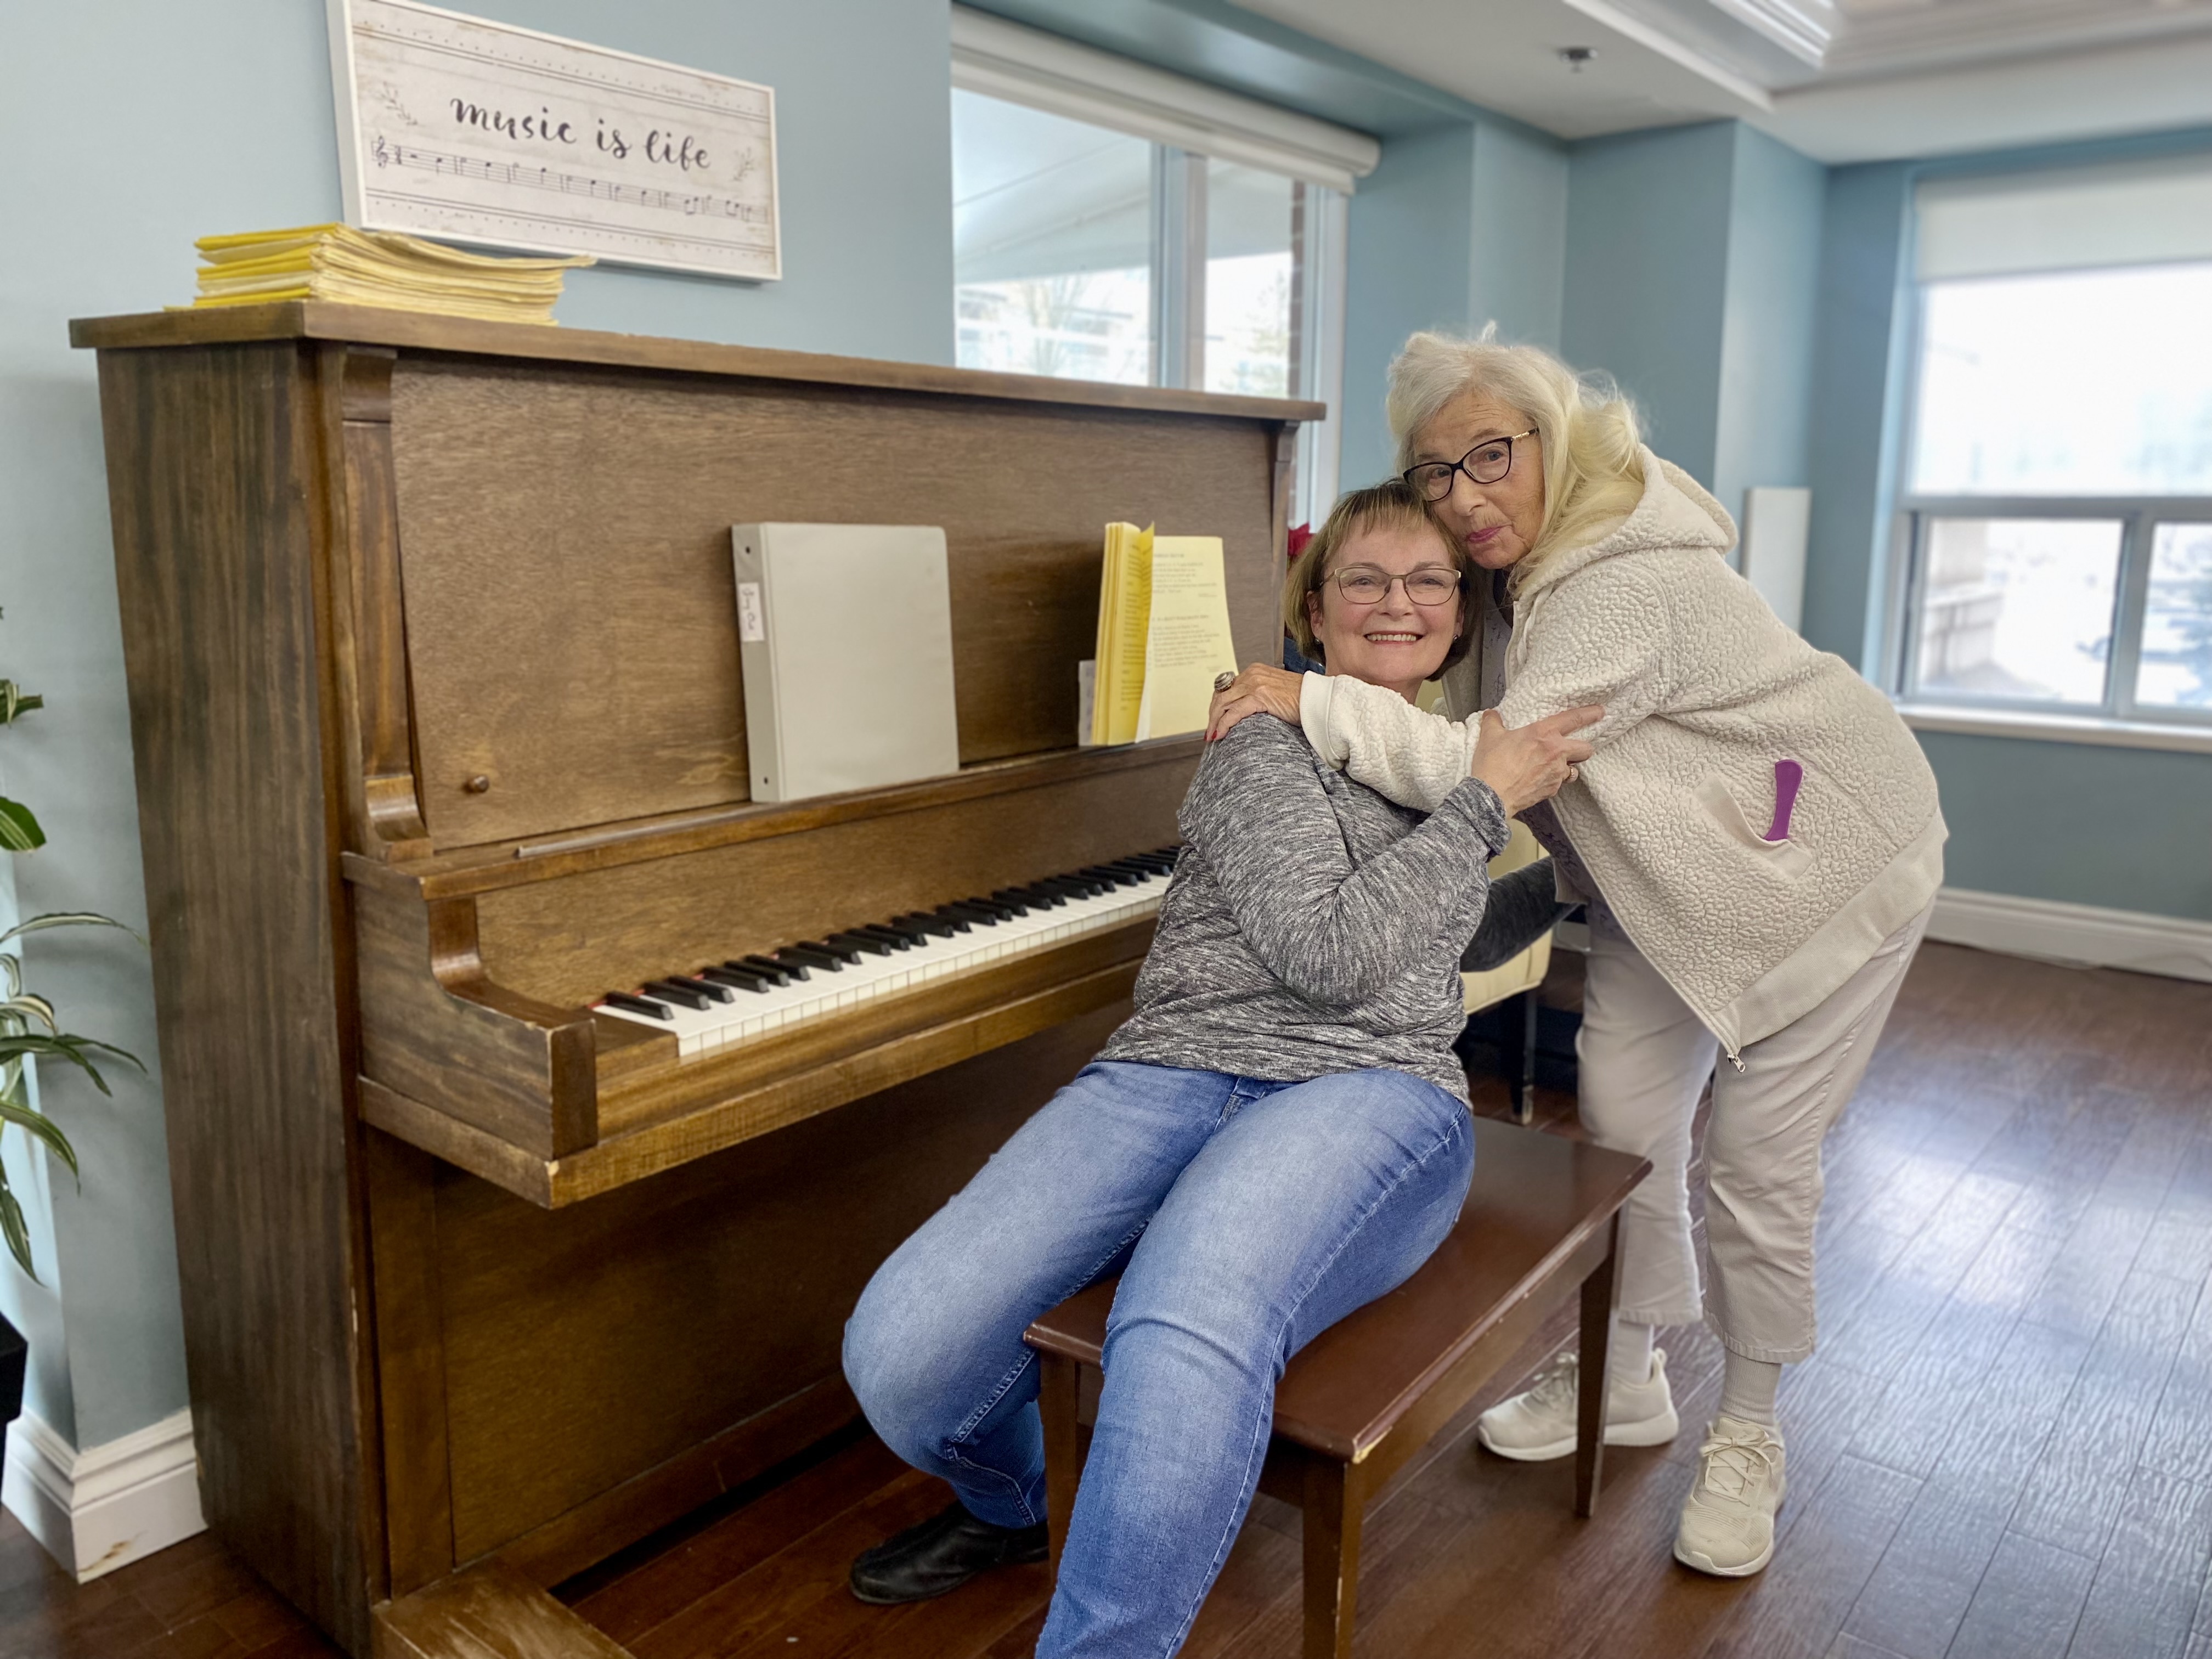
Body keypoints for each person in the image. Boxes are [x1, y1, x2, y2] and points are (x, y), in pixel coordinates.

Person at [1209, 329, 1944, 1580]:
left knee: (1760, 1168)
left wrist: (1306, 700)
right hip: (1689, 884)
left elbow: (1502, 756)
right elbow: (1449, 709)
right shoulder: (1519, 576)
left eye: (1491, 456)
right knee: (1618, 1122)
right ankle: (1629, 1373)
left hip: (1835, 863)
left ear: (1561, 439)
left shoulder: (1617, 578)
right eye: (1436, 473)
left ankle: (1750, 1434)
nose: (1465, 498)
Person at [840, 479, 1600, 1657]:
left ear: (1461, 615)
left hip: (1376, 1100)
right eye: (1365, 578)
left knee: (1185, 1311)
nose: (1396, 603)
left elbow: (1467, 934)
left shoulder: (1453, 759)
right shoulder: (1268, 742)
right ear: (1314, 606)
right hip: (1176, 1069)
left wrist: (1562, 856)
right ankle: (1022, 1504)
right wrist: (1481, 810)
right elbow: (1338, 952)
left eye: (1427, 581)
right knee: (904, 1354)